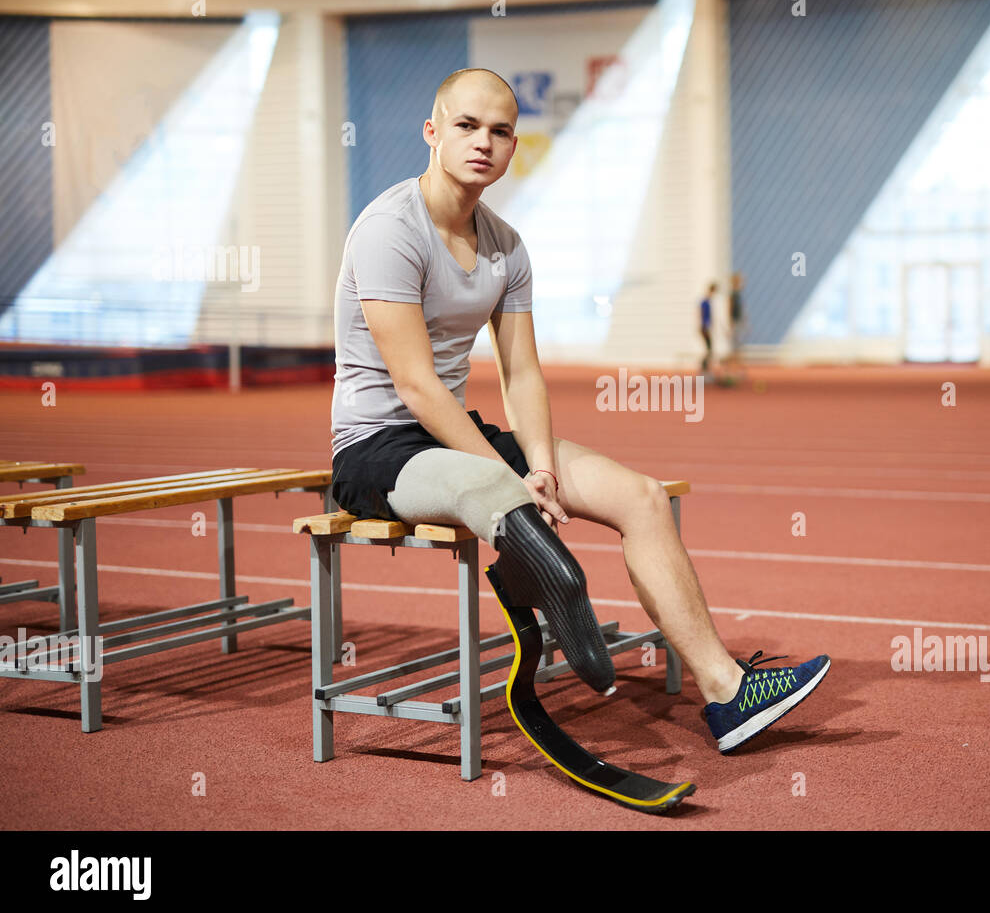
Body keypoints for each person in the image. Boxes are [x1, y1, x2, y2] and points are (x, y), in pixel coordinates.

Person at [329, 68, 829, 753]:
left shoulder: (506, 247)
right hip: (377, 448)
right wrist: (514, 481)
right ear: (433, 131)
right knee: (490, 488)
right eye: (468, 126)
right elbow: (415, 387)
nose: (484, 143)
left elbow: (523, 372)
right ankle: (552, 579)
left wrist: (540, 467)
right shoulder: (389, 230)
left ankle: (726, 691)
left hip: (455, 434)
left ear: (513, 146)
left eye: (501, 131)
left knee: (644, 497)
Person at [699, 281, 717, 378]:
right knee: (709, 349)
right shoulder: (705, 301)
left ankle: (705, 369)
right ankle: (704, 369)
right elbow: (702, 314)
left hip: (706, 326)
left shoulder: (708, 301)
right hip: (704, 327)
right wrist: (704, 326)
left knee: (709, 349)